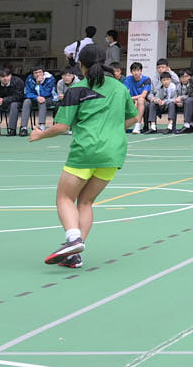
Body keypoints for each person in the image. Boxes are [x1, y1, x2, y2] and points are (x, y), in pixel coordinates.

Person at [29, 42, 135, 269]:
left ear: (80, 65)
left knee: (64, 198)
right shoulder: (120, 88)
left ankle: (73, 239)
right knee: (86, 201)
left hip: (86, 150)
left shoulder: (76, 90)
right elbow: (133, 118)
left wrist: (40, 134)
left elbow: (61, 126)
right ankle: (74, 254)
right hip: (114, 153)